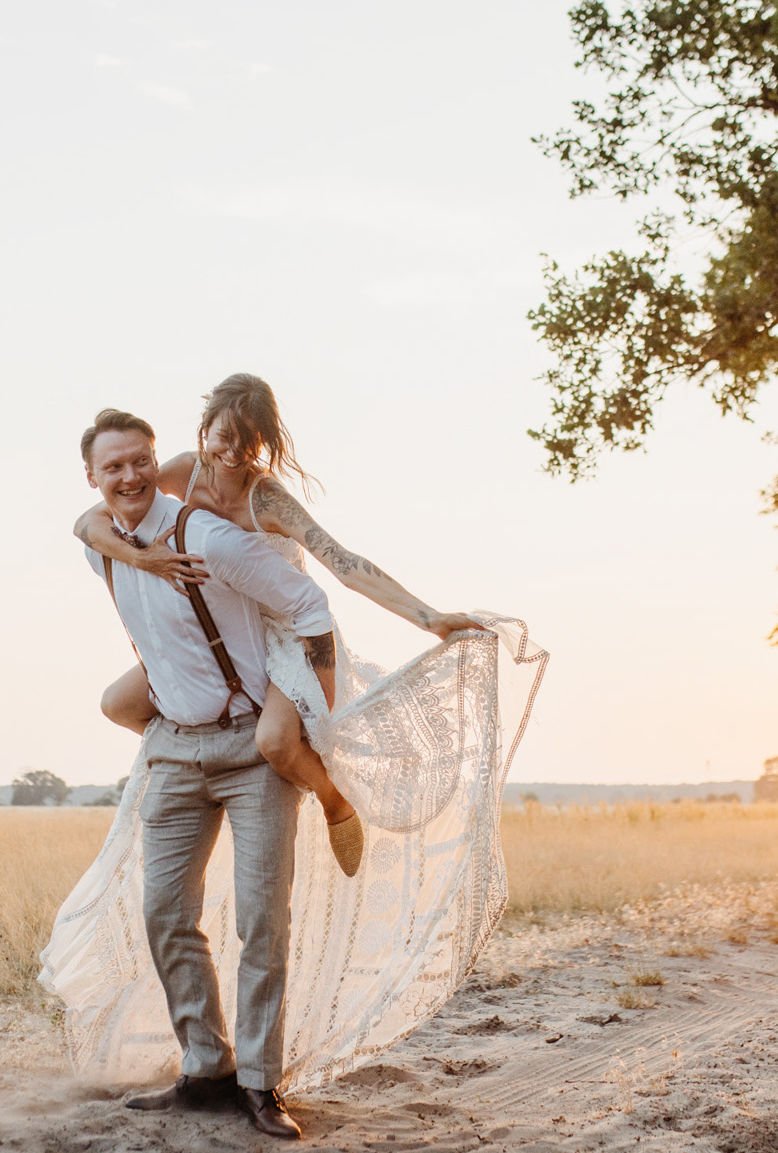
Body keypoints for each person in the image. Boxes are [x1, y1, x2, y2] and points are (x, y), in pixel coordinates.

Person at [74, 372, 484, 877]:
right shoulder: (182, 470)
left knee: (275, 741)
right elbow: (89, 523)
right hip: (220, 626)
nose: (231, 455)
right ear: (205, 429)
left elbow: (343, 564)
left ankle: (335, 801)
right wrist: (144, 561)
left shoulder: (265, 498)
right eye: (224, 438)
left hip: (287, 627)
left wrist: (429, 617)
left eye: (248, 444)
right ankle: (206, 764)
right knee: (117, 703)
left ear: (264, 443)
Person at [76, 406, 324, 1139]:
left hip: (253, 750)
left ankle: (259, 1083)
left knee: (260, 921)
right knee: (165, 916)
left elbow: (309, 602)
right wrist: (138, 555)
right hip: (176, 752)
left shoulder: (210, 535)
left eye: (139, 461)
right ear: (92, 477)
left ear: (162, 460)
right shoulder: (99, 544)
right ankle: (204, 1067)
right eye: (112, 466)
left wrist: (313, 707)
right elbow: (84, 527)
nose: (129, 476)